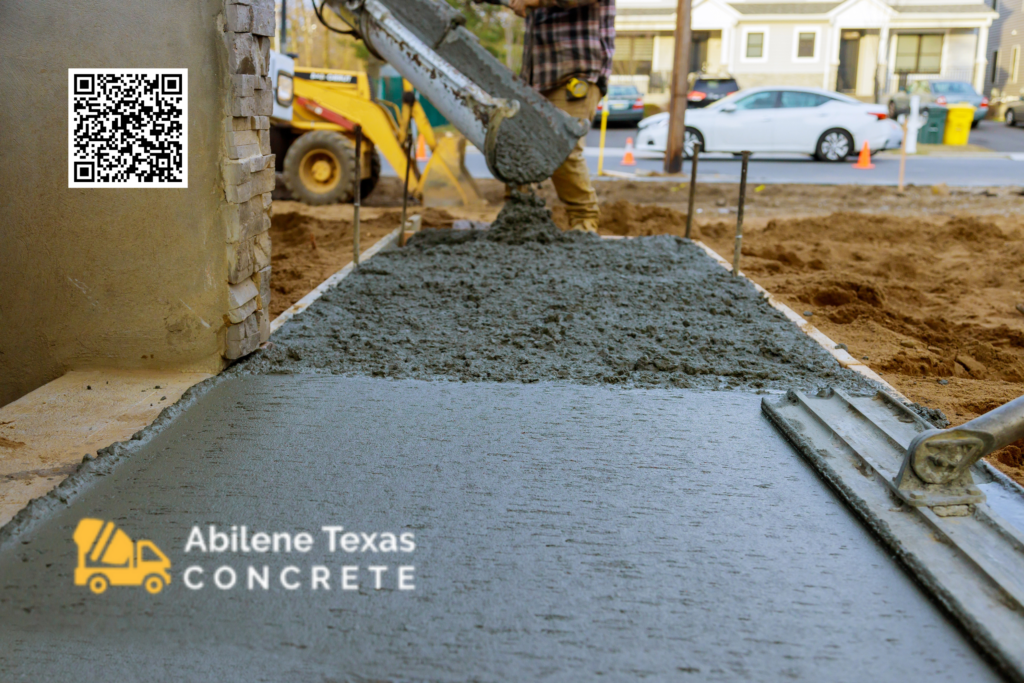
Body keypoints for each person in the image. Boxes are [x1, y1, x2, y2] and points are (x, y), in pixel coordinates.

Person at [509, 0, 615, 233]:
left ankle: (584, 224)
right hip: (537, 75)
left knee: (561, 147)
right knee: (516, 146)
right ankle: (518, 223)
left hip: (575, 71)